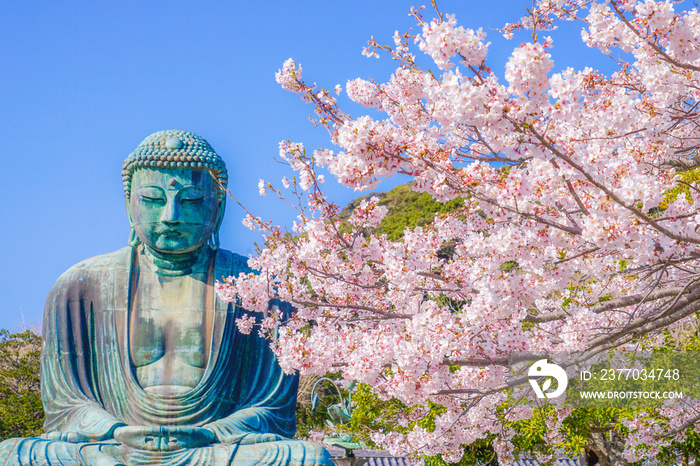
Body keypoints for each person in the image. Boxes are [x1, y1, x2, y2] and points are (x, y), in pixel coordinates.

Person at [0, 130, 333, 466]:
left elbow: (271, 408)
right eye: (152, 199)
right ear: (129, 205)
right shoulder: (79, 287)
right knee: (13, 455)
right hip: (114, 446)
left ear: (218, 207)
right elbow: (67, 405)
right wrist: (116, 430)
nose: (171, 215)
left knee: (308, 458)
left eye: (190, 200)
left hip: (216, 447)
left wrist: (212, 432)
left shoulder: (262, 288)